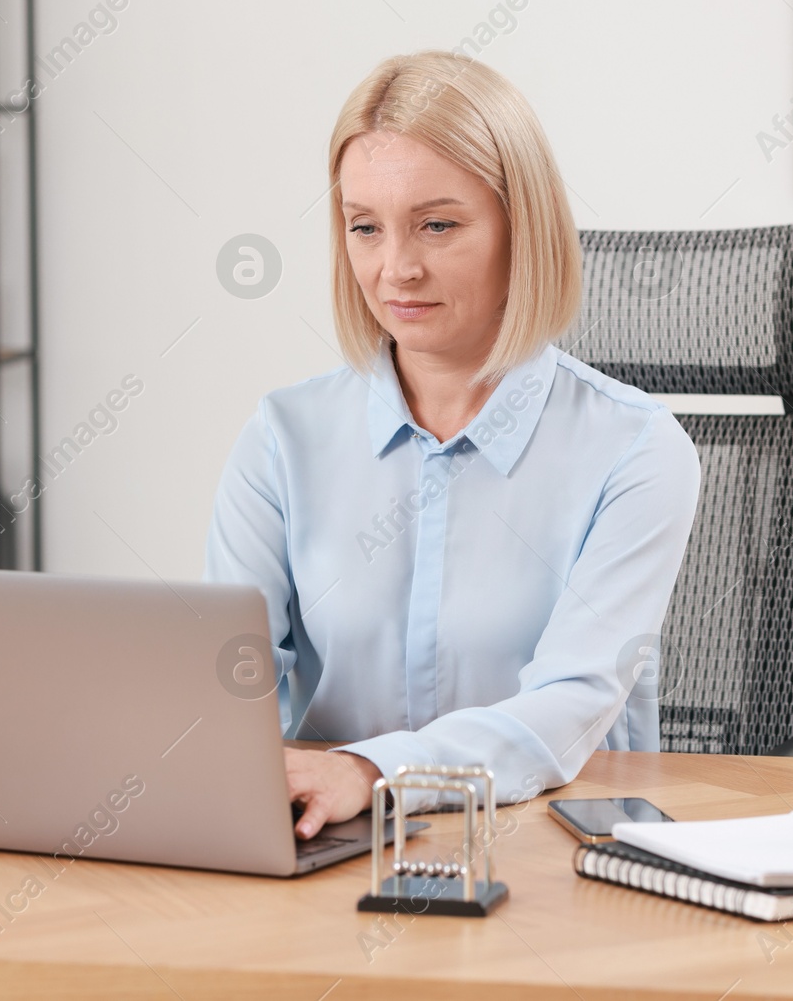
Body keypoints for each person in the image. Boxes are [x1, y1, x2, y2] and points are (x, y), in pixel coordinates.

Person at [205, 50, 701, 839]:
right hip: (326, 845)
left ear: (522, 229)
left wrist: (371, 770)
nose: (396, 268)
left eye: (437, 224)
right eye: (365, 227)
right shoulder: (282, 438)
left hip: (554, 849)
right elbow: (229, 689)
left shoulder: (636, 450)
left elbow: (567, 705)